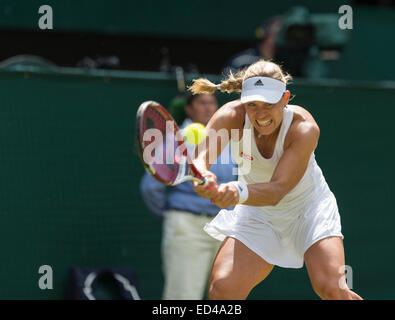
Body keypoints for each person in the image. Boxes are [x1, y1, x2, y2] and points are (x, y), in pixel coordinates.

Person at [188, 59, 362, 300]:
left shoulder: (304, 128)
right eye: (253, 104)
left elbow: (277, 189)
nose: (261, 114)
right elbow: (199, 160)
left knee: (331, 289)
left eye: (269, 103)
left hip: (309, 211)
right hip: (258, 214)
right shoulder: (230, 117)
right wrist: (203, 176)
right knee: (223, 288)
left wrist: (237, 192)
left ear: (285, 98)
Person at [140, 92, 237, 300]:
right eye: (202, 103)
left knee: (226, 297)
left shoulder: (228, 139)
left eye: (212, 103)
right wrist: (174, 215)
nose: (209, 108)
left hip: (225, 229)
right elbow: (151, 187)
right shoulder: (175, 139)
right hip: (187, 227)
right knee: (183, 297)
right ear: (189, 108)